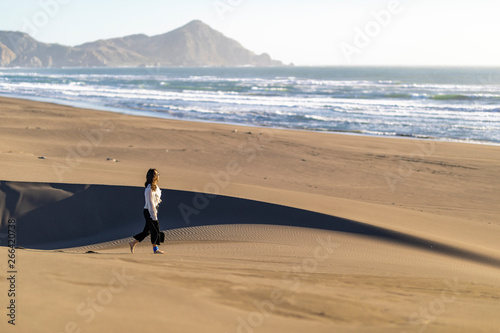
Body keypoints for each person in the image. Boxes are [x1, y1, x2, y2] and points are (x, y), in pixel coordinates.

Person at [129, 168, 164, 254]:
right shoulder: (149, 189)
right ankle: (155, 249)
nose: (158, 175)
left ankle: (133, 243)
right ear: (153, 177)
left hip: (153, 210)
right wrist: (154, 215)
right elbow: (150, 203)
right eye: (157, 174)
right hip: (149, 211)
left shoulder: (156, 187)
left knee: (147, 231)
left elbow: (156, 199)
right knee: (155, 230)